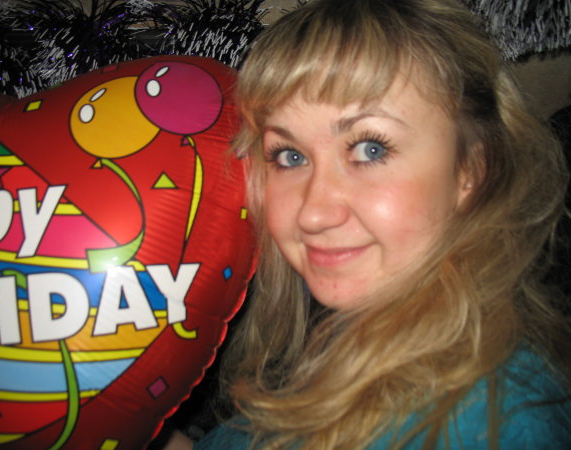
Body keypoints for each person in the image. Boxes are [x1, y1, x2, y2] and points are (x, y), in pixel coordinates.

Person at [168, 0, 571, 448]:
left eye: (370, 149)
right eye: (290, 156)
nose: (313, 214)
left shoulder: (490, 421)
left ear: (469, 170)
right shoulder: (345, 343)